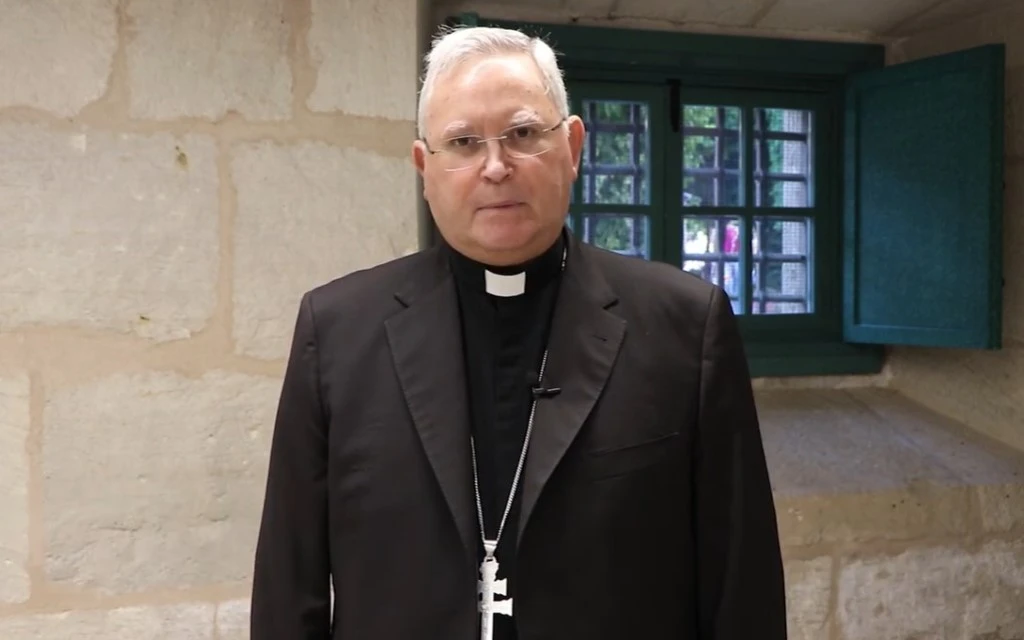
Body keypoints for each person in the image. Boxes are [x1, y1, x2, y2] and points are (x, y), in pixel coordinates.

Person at [250, 25, 787, 640]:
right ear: (425, 167)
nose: (496, 167)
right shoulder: (338, 332)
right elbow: (288, 587)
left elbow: (741, 587)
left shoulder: (685, 327)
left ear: (573, 146)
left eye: (524, 134)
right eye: (463, 142)